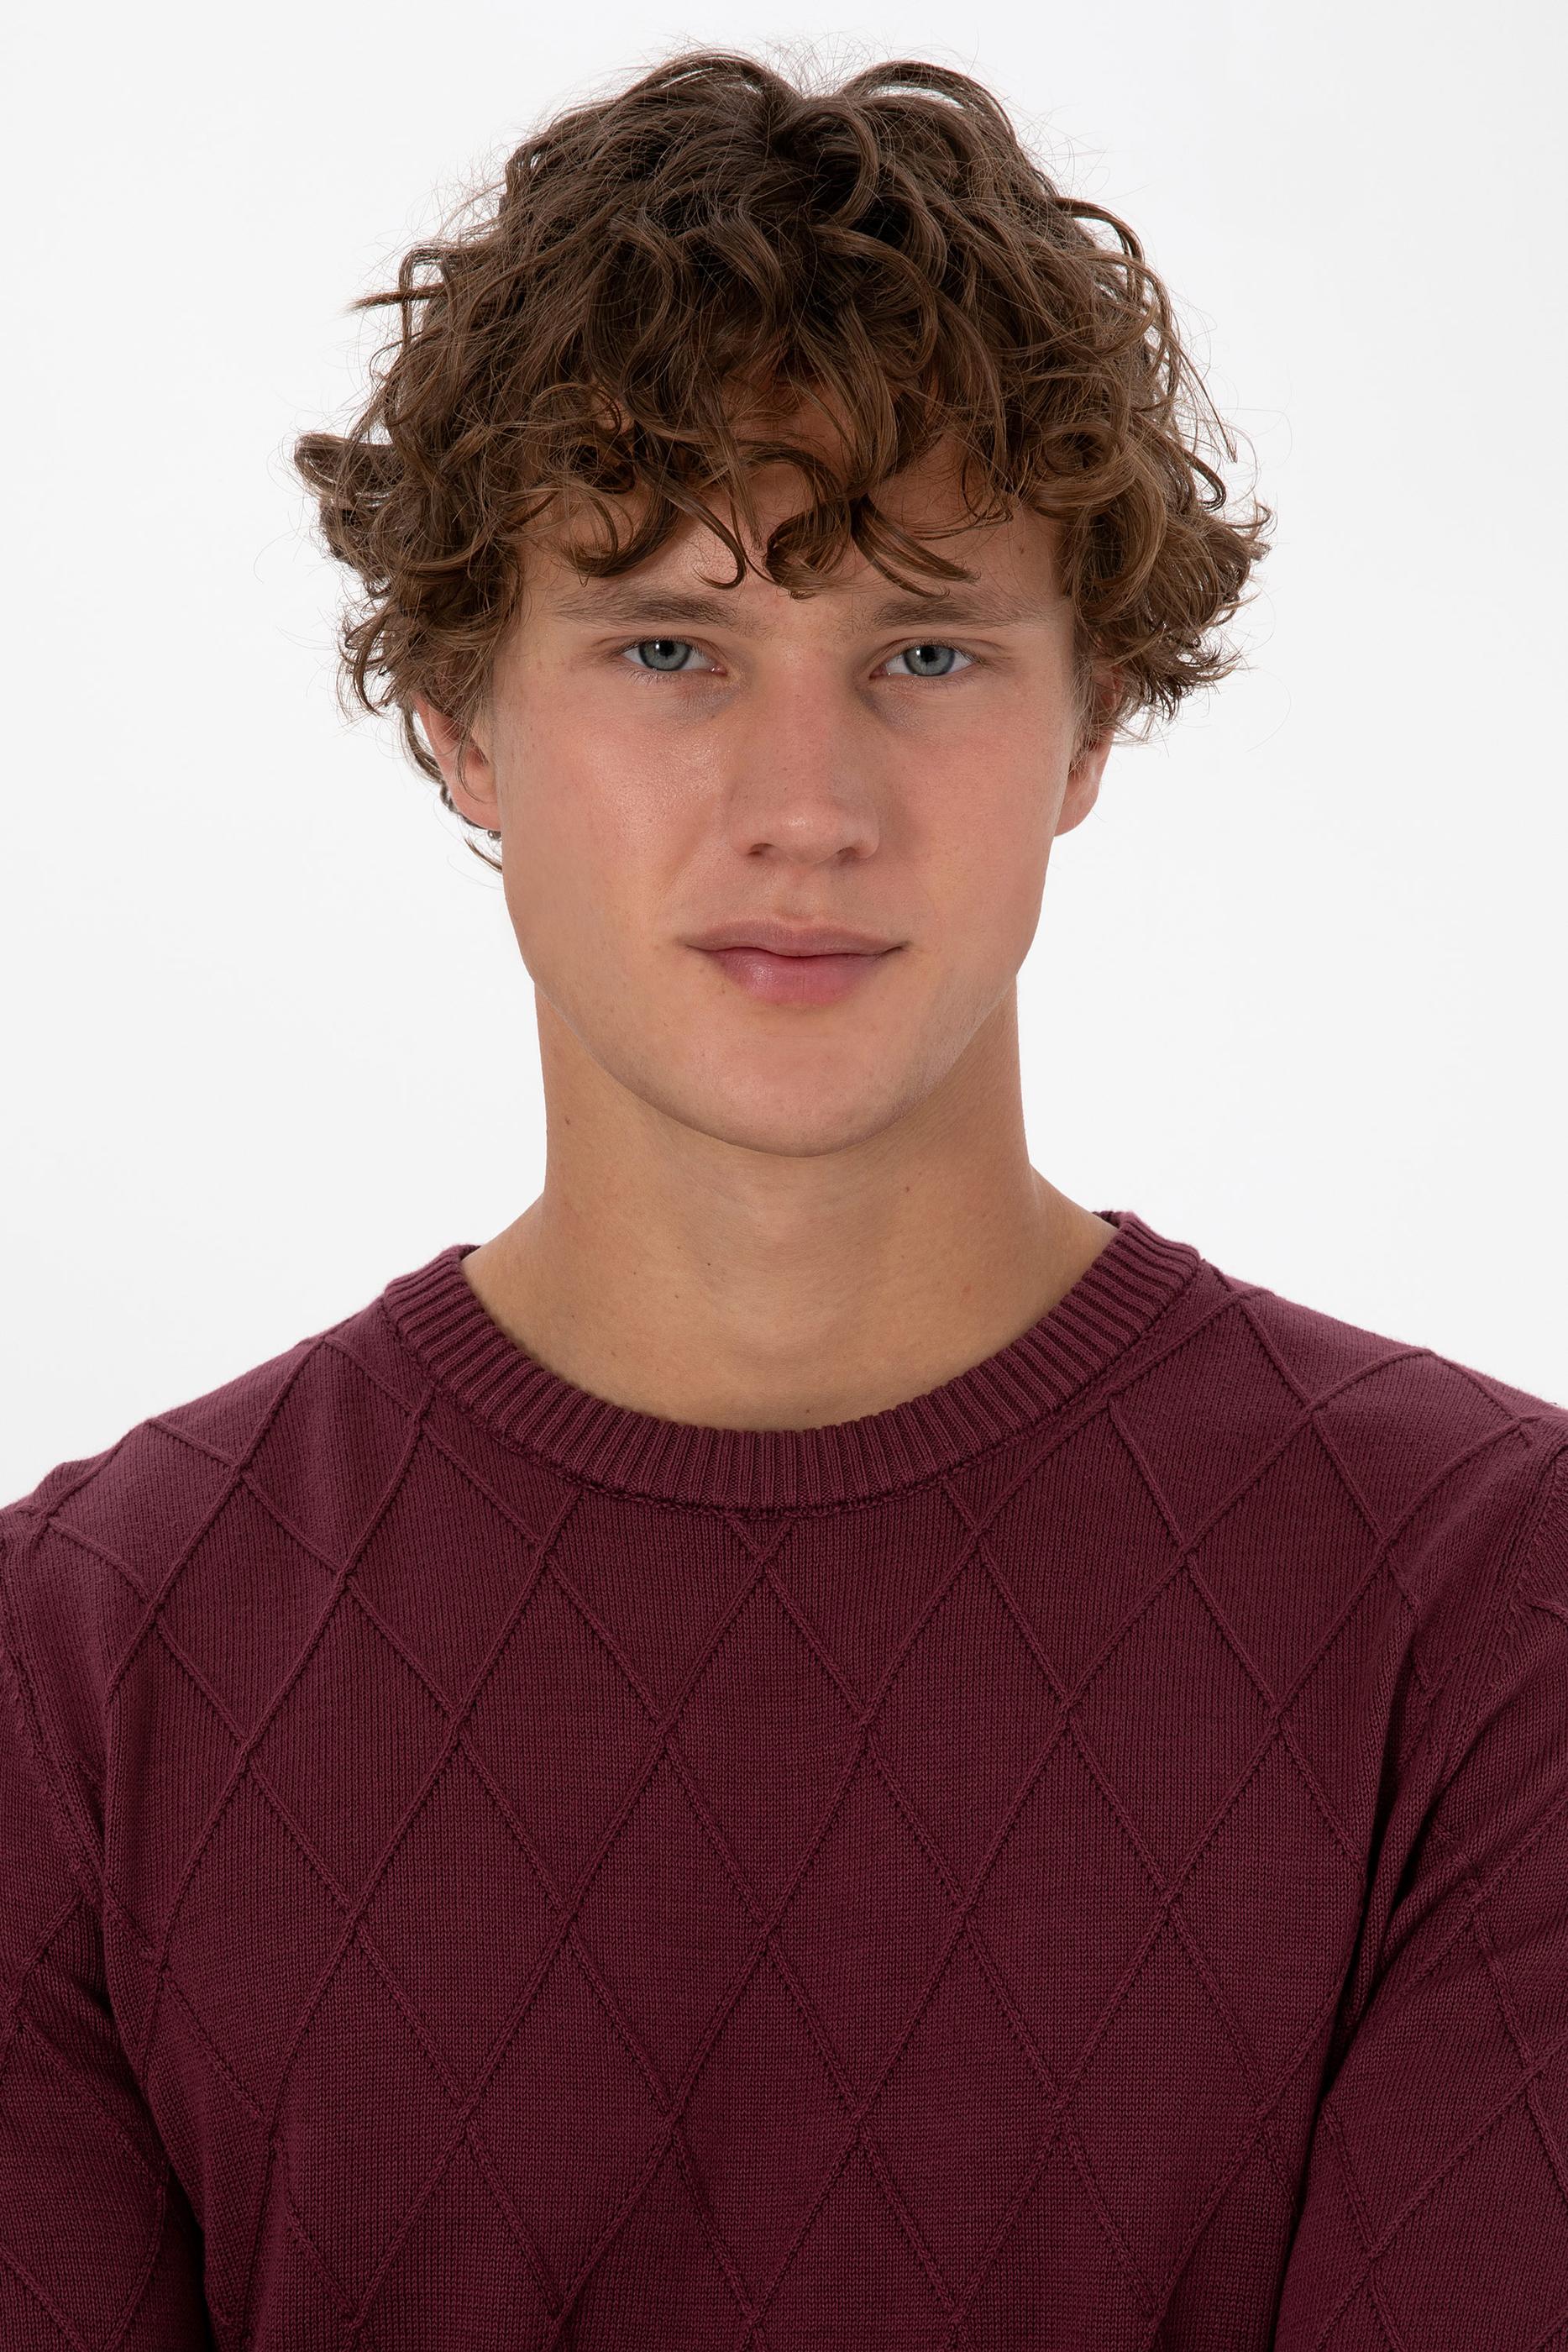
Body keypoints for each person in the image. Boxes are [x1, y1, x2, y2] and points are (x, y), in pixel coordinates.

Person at [2, 46, 1564, 2352]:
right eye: (669, 648)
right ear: (459, 717)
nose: (804, 804)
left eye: (926, 649)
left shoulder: (1494, 1614)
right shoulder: (77, 1663)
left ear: (1090, 720)